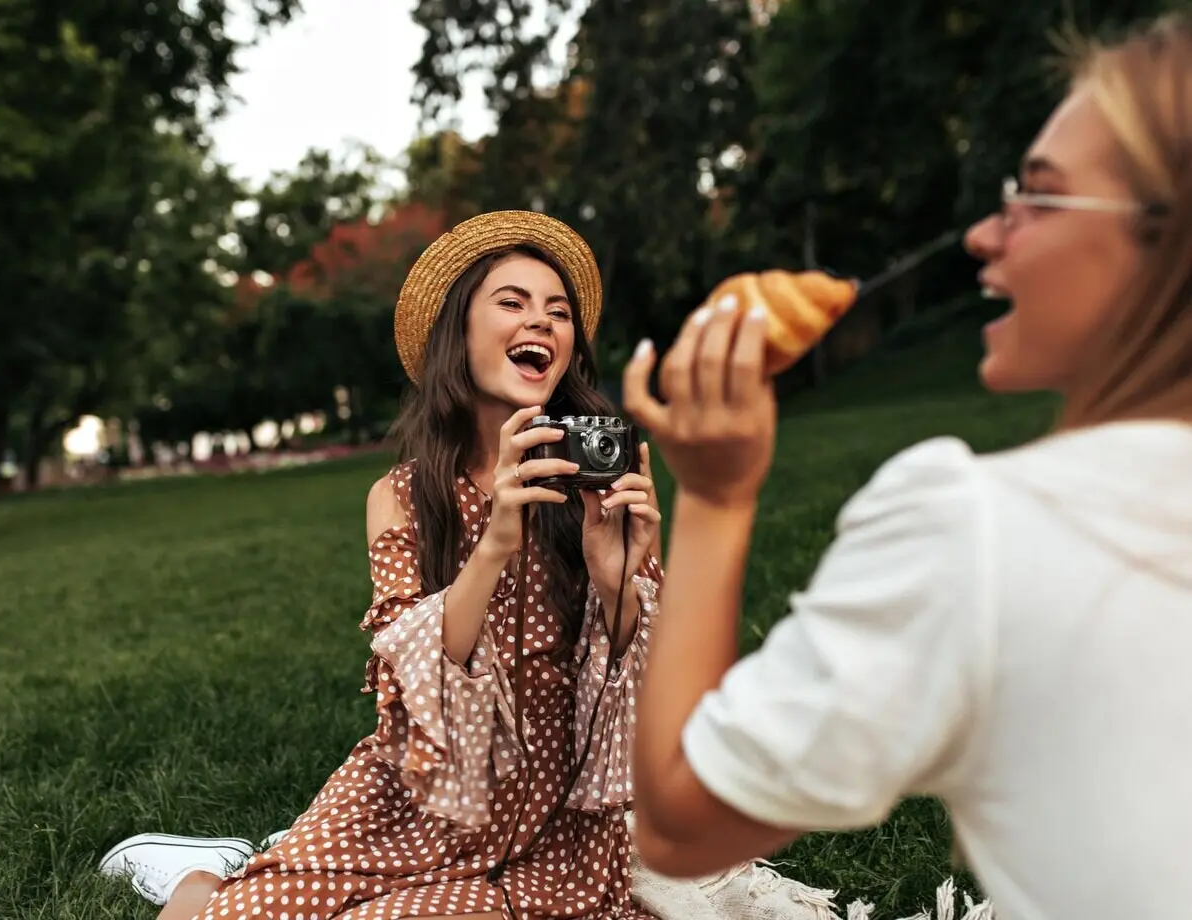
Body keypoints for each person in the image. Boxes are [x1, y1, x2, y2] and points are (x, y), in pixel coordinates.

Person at [625, 11, 1192, 920]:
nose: (983, 234)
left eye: (1037, 199)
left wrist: (716, 496)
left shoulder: (981, 530)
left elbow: (679, 825)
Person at [101, 210, 665, 920]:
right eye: (513, 303)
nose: (543, 323)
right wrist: (494, 542)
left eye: (558, 312)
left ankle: (271, 861)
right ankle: (209, 878)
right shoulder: (402, 496)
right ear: (458, 333)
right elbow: (411, 675)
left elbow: (638, 697)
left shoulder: (599, 488)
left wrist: (616, 584)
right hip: (416, 797)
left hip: (553, 832)